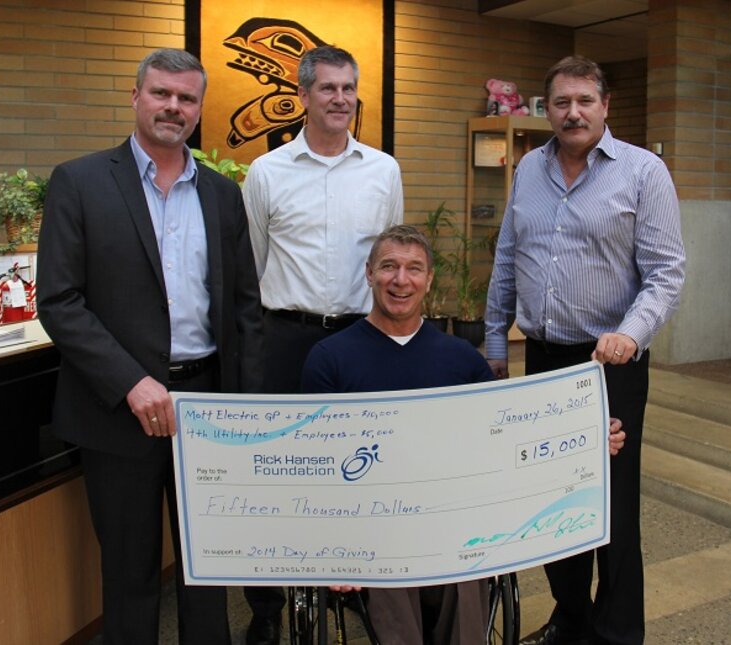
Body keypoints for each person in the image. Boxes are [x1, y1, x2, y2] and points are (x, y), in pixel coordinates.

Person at [302, 225, 627, 644]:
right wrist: (333, 549)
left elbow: (510, 439)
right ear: (368, 273)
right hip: (374, 528)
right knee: (393, 564)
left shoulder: (460, 360)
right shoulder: (330, 359)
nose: (401, 280)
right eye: (389, 267)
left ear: (429, 280)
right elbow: (313, 467)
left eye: (414, 269)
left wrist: (584, 441)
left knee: (466, 562)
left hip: (452, 524)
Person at [36, 49, 262, 645]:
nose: (173, 107)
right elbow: (59, 301)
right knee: (130, 574)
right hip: (118, 410)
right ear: (135, 97)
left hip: (206, 407)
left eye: (187, 99)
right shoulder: (79, 182)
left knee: (207, 569)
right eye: (161, 94)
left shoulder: (221, 193)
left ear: (199, 109)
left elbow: (244, 306)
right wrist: (130, 381)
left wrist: (243, 409)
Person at [485, 55, 685, 645]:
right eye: (561, 103)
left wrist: (633, 331)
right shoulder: (528, 170)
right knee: (553, 500)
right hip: (543, 360)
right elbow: (506, 257)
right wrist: (497, 339)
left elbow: (667, 272)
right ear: (546, 109)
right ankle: (570, 618)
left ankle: (618, 633)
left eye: (584, 101)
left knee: (612, 507)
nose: (573, 113)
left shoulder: (644, 172)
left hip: (610, 363)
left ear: (605, 106)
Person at [240, 44, 404, 642]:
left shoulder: (383, 170)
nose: (340, 99)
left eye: (349, 88)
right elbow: (251, 267)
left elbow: (392, 266)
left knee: (358, 469)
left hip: (360, 341)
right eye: (328, 88)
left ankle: (355, 583)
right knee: (279, 473)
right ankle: (267, 608)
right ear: (304, 96)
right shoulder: (268, 173)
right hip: (288, 338)